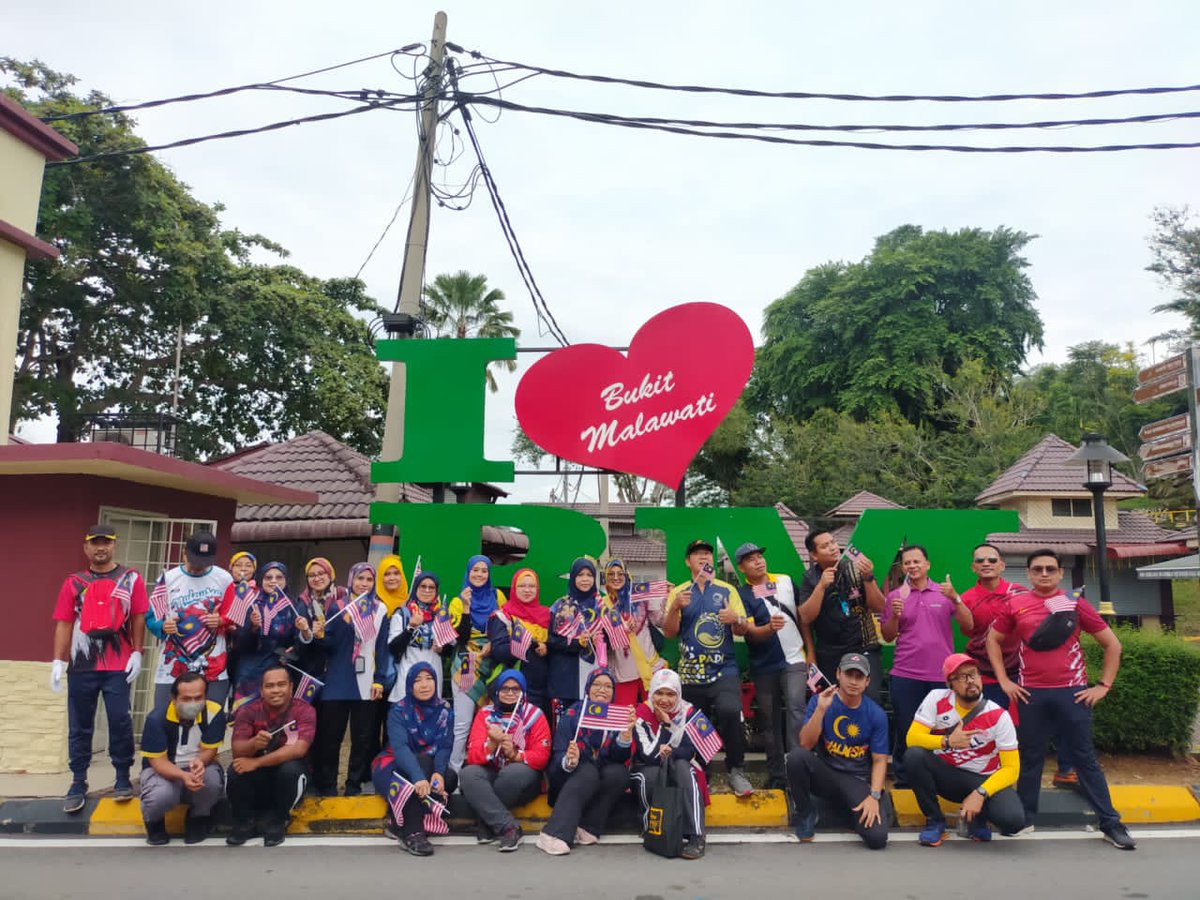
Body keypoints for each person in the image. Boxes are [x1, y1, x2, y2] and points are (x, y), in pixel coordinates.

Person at [986, 549, 1136, 850]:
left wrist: (1103, 686)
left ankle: (1110, 823)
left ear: (1060, 573)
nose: (1044, 574)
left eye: (1050, 569)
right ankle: (1025, 819)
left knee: (1085, 760)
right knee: (1030, 759)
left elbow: (1112, 645)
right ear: (1028, 573)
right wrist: (1004, 681)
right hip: (1031, 694)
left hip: (1073, 693)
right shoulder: (1016, 604)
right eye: (1038, 569)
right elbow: (994, 640)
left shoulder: (1074, 604)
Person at [50, 523, 148, 813]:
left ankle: (121, 777)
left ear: (115, 545)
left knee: (120, 720)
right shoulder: (73, 581)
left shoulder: (131, 578)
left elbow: (139, 618)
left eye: (106, 542)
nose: (101, 547)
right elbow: (64, 621)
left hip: (119, 664)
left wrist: (138, 653)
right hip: (82, 664)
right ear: (86, 547)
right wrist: (58, 659)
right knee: (80, 725)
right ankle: (78, 780)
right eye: (95, 543)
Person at [961, 544, 1075, 787]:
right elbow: (968, 631)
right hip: (985, 675)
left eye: (992, 559)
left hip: (1023, 673)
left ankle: (1065, 770)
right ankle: (991, 777)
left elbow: (1049, 626)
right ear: (973, 567)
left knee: (1051, 719)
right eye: (980, 560)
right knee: (989, 727)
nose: (986, 563)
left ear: (1002, 565)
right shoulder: (966, 598)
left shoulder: (1020, 593)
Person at [662, 539, 753, 797]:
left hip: (724, 669)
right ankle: (702, 771)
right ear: (687, 562)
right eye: (697, 555)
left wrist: (735, 619)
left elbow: (743, 627)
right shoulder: (679, 592)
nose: (703, 558)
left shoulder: (726, 590)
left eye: (707, 554)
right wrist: (675, 608)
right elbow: (669, 632)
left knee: (730, 712)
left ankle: (736, 769)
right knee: (695, 724)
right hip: (690, 673)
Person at [903, 653, 1024, 846]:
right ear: (950, 684)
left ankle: (978, 818)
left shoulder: (999, 715)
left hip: (982, 779)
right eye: (961, 677)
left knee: (1013, 821)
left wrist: (981, 793)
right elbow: (912, 739)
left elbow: (1012, 769)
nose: (970, 681)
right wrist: (947, 741)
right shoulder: (936, 699)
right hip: (948, 775)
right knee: (914, 756)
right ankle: (935, 822)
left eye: (974, 674)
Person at [880, 545, 974, 786]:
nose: (912, 566)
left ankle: (938, 777)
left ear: (927, 564)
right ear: (902, 568)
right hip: (905, 673)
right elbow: (888, 636)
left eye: (916, 562)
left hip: (941, 676)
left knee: (941, 729)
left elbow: (968, 626)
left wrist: (956, 598)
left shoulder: (944, 593)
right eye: (907, 563)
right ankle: (904, 778)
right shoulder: (895, 596)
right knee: (906, 727)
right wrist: (894, 616)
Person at [786, 653, 889, 850]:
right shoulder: (820, 701)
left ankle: (843, 811)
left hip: (856, 780)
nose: (853, 681)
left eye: (859, 677)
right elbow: (805, 744)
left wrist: (874, 796)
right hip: (827, 773)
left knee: (877, 838)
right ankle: (806, 813)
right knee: (796, 758)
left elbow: (880, 760)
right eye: (849, 675)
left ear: (867, 681)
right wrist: (821, 710)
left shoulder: (876, 714)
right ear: (838, 675)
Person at [735, 542, 814, 790]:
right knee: (769, 721)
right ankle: (778, 775)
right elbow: (750, 634)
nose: (758, 561)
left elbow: (803, 618)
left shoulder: (786, 581)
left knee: (796, 711)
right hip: (764, 665)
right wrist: (768, 629)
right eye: (751, 559)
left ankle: (798, 770)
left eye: (760, 556)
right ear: (741, 567)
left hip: (795, 659)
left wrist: (810, 652)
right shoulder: (741, 594)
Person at [536, 668, 633, 855]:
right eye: (597, 684)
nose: (602, 690)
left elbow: (618, 758)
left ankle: (588, 826)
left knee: (619, 773)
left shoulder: (616, 716)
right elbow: (556, 758)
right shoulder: (573, 714)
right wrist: (569, 761)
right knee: (587, 771)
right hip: (568, 780)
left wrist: (624, 739)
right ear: (588, 688)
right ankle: (553, 833)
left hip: (595, 782)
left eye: (608, 686)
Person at [313, 563, 388, 796]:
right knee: (330, 738)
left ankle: (353, 785)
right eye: (360, 579)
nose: (364, 584)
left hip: (366, 682)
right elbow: (329, 646)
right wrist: (318, 635)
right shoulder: (337, 606)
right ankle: (327, 786)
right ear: (351, 579)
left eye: (368, 579)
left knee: (362, 739)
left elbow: (383, 649)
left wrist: (380, 680)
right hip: (337, 679)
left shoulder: (380, 609)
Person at [459, 669, 551, 852]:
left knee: (512, 773)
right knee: (468, 774)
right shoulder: (485, 715)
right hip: (493, 771)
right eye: (505, 689)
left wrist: (516, 756)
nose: (510, 693)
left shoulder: (535, 715)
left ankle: (488, 822)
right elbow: (473, 756)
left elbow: (542, 756)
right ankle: (507, 827)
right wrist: (492, 744)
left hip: (523, 780)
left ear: (523, 692)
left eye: (515, 689)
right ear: (497, 692)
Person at [226, 663, 317, 847]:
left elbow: (299, 749)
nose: (275, 690)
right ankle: (245, 821)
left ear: (291, 687)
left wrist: (257, 761)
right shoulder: (247, 711)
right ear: (261, 689)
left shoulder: (304, 710)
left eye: (281, 685)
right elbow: (237, 750)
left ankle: (277, 821)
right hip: (259, 775)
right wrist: (253, 744)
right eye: (269, 686)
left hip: (289, 772)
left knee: (290, 770)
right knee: (236, 769)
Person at [372, 662, 457, 857]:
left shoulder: (444, 711)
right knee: (424, 763)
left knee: (450, 779)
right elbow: (400, 748)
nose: (424, 685)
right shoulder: (399, 711)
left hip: (426, 769)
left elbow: (444, 746)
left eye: (429, 679)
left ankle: (396, 822)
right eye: (418, 680)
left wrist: (439, 773)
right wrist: (419, 776)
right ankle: (413, 832)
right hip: (393, 766)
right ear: (410, 685)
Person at [145, 531, 234, 710]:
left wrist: (221, 620)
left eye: (204, 563)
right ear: (184, 553)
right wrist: (163, 626)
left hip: (212, 666)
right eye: (194, 561)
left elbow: (234, 616)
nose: (198, 567)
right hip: (172, 667)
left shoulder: (224, 578)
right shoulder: (168, 579)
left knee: (211, 720)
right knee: (164, 718)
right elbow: (151, 617)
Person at [139, 671, 226, 845]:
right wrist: (183, 776)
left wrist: (201, 761)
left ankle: (197, 819)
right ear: (174, 698)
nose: (193, 704)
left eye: (198, 697)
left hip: (197, 765)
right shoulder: (156, 719)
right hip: (164, 769)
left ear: (205, 696)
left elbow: (210, 750)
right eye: (186, 699)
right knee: (159, 795)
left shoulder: (214, 713)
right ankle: (154, 823)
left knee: (212, 782)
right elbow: (158, 762)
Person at [630, 669, 709, 860]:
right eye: (659, 693)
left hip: (676, 764)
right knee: (651, 775)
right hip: (647, 766)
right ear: (651, 693)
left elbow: (691, 751)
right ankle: (652, 827)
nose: (664, 700)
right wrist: (665, 727)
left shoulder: (688, 712)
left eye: (671, 694)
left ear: (678, 695)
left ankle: (697, 836)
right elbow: (648, 755)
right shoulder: (641, 713)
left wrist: (672, 751)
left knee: (683, 766)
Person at [797, 530, 886, 702]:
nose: (832, 547)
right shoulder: (810, 578)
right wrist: (821, 587)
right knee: (833, 703)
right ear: (814, 555)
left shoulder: (855, 569)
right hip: (830, 652)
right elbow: (806, 618)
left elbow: (880, 607)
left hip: (864, 647)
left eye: (833, 542)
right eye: (825, 546)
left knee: (869, 699)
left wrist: (869, 578)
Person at [448, 555, 507, 771]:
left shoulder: (498, 596)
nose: (479, 574)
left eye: (484, 571)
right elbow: (460, 638)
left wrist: (493, 643)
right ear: (468, 572)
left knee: (488, 722)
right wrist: (465, 607)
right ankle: (454, 774)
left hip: (492, 665)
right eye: (475, 570)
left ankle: (483, 768)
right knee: (462, 723)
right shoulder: (458, 600)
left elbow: (505, 627)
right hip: (467, 663)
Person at [230, 562, 313, 709]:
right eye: (268, 577)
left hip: (278, 670)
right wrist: (253, 627)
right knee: (246, 718)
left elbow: (300, 642)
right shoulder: (252, 602)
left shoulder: (294, 605)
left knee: (275, 719)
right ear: (261, 580)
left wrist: (298, 642)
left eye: (279, 577)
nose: (273, 581)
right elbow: (239, 642)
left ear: (286, 580)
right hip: (250, 671)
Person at [595, 559, 666, 708]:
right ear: (605, 578)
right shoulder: (602, 605)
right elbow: (602, 638)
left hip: (650, 667)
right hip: (623, 672)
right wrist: (621, 629)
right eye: (611, 574)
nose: (616, 577)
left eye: (620, 573)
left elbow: (660, 621)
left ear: (627, 575)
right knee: (624, 719)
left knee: (657, 713)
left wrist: (666, 602)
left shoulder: (640, 598)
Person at [489, 567, 552, 718]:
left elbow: (557, 645)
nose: (527, 590)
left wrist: (547, 646)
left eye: (531, 586)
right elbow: (499, 651)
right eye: (522, 586)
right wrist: (527, 642)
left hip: (544, 690)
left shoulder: (548, 616)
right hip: (513, 689)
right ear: (513, 588)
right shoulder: (503, 616)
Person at [547, 557, 602, 721]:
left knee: (590, 728)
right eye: (580, 575)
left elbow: (611, 642)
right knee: (563, 728)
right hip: (565, 679)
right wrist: (578, 644)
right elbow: (552, 641)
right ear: (572, 578)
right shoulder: (561, 606)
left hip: (594, 675)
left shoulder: (601, 606)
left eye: (589, 575)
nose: (585, 579)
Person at [388, 571, 453, 702]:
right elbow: (393, 648)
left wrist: (442, 648)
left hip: (433, 680)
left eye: (431, 587)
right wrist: (410, 627)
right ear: (415, 588)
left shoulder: (441, 616)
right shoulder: (403, 614)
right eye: (423, 586)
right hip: (406, 678)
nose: (427, 590)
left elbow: (450, 649)